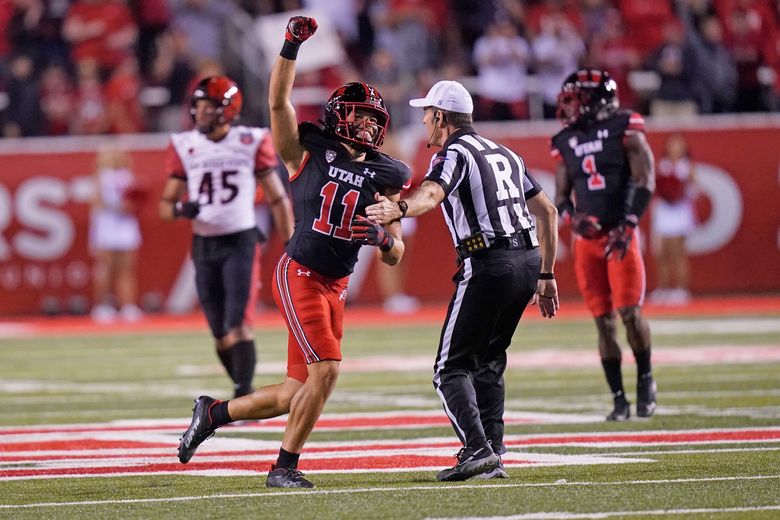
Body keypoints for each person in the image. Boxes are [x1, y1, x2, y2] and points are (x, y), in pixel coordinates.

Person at [176, 17, 410, 489]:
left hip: (337, 285)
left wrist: (385, 238)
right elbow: (277, 101)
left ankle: (214, 412)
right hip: (301, 271)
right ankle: (284, 467)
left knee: (292, 392)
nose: (366, 124)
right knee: (326, 373)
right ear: (338, 116)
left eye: (373, 119)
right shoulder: (307, 152)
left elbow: (396, 253)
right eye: (359, 115)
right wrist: (290, 46)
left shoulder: (385, 174)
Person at [366, 80, 559, 481]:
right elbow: (549, 212)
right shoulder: (505, 151)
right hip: (527, 260)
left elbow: (432, 194)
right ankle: (494, 449)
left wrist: (398, 208)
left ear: (441, 117)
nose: (423, 121)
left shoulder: (454, 153)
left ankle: (476, 450)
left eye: (426, 114)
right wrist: (547, 273)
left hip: (489, 260)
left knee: (449, 367)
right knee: (488, 362)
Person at [159, 75, 294, 399]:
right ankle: (242, 391)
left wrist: (291, 241)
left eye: (209, 107)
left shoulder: (250, 140)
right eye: (199, 107)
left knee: (239, 323)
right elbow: (164, 206)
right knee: (220, 332)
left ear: (227, 110)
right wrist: (180, 209)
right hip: (204, 243)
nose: (201, 113)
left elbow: (277, 196)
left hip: (240, 241)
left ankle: (244, 394)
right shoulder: (186, 145)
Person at [552, 69, 657, 421]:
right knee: (603, 321)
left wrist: (628, 225)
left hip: (619, 235)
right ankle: (619, 399)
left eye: (575, 99)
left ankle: (645, 379)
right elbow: (561, 196)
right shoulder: (566, 138)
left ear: (597, 100)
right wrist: (572, 217)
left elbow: (645, 179)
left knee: (630, 313)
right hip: (588, 242)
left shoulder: (625, 126)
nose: (568, 107)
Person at [89, 145, 144, 322]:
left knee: (126, 268)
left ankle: (128, 305)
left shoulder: (128, 176)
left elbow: (137, 200)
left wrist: (132, 205)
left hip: (125, 224)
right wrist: (119, 207)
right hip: (107, 223)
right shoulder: (101, 177)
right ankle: (102, 306)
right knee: (106, 267)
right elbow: (97, 202)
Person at [649, 133, 697, 305]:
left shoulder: (687, 167)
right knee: (661, 252)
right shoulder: (662, 165)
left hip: (679, 212)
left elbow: (694, 190)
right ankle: (664, 288)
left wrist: (678, 191)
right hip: (664, 211)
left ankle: (681, 289)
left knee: (677, 252)